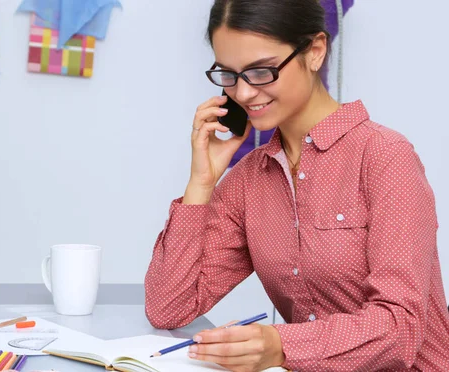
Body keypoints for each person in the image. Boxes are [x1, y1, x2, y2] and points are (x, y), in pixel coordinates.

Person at [143, 0, 449, 371]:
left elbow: (401, 328)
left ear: (315, 51)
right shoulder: (250, 180)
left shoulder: (386, 158)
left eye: (260, 71)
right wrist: (200, 183)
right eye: (229, 74)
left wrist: (280, 345)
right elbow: (168, 307)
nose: (242, 93)